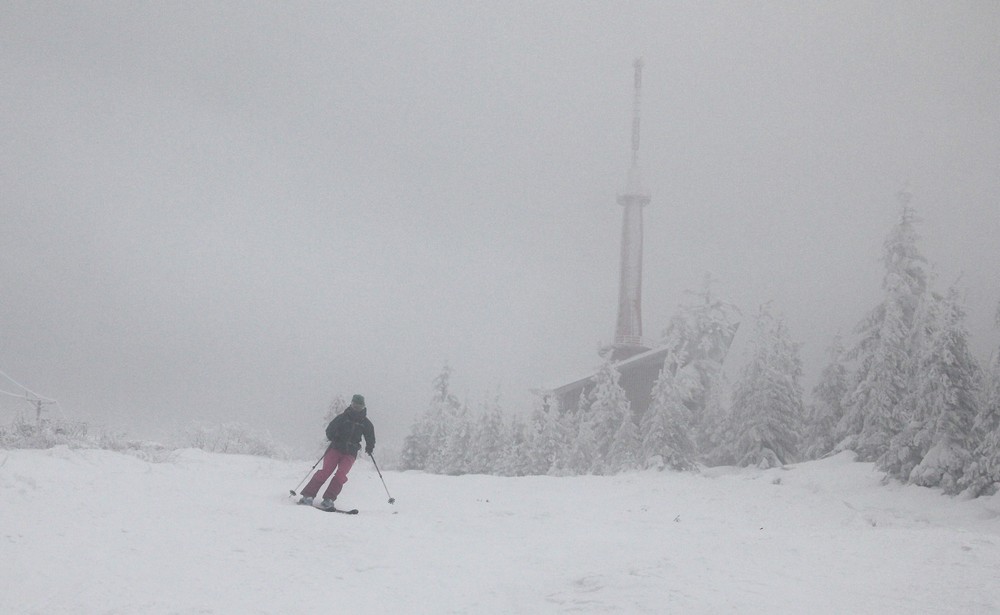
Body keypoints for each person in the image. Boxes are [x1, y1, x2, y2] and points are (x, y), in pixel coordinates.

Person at [298, 394, 376, 511]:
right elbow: (330, 430)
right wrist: (333, 436)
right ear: (351, 404)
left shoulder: (365, 423)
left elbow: (370, 436)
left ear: (363, 407)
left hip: (350, 452)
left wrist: (370, 447)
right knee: (325, 472)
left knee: (341, 475)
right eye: (355, 406)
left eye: (359, 406)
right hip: (336, 449)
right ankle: (308, 495)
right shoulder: (343, 417)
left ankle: (329, 499)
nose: (356, 408)